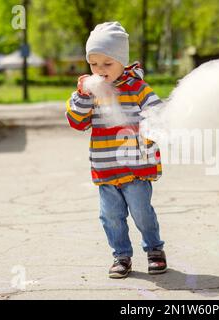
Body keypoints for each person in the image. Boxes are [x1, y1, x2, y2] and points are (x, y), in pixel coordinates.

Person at [65, 21, 166, 279]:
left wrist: (155, 126)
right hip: (106, 168)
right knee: (111, 217)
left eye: (107, 64)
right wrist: (83, 95)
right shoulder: (90, 91)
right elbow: (77, 122)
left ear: (123, 61)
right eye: (94, 64)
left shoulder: (138, 88)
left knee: (142, 213)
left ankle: (154, 249)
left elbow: (158, 114)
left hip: (136, 167)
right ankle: (121, 256)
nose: (100, 70)